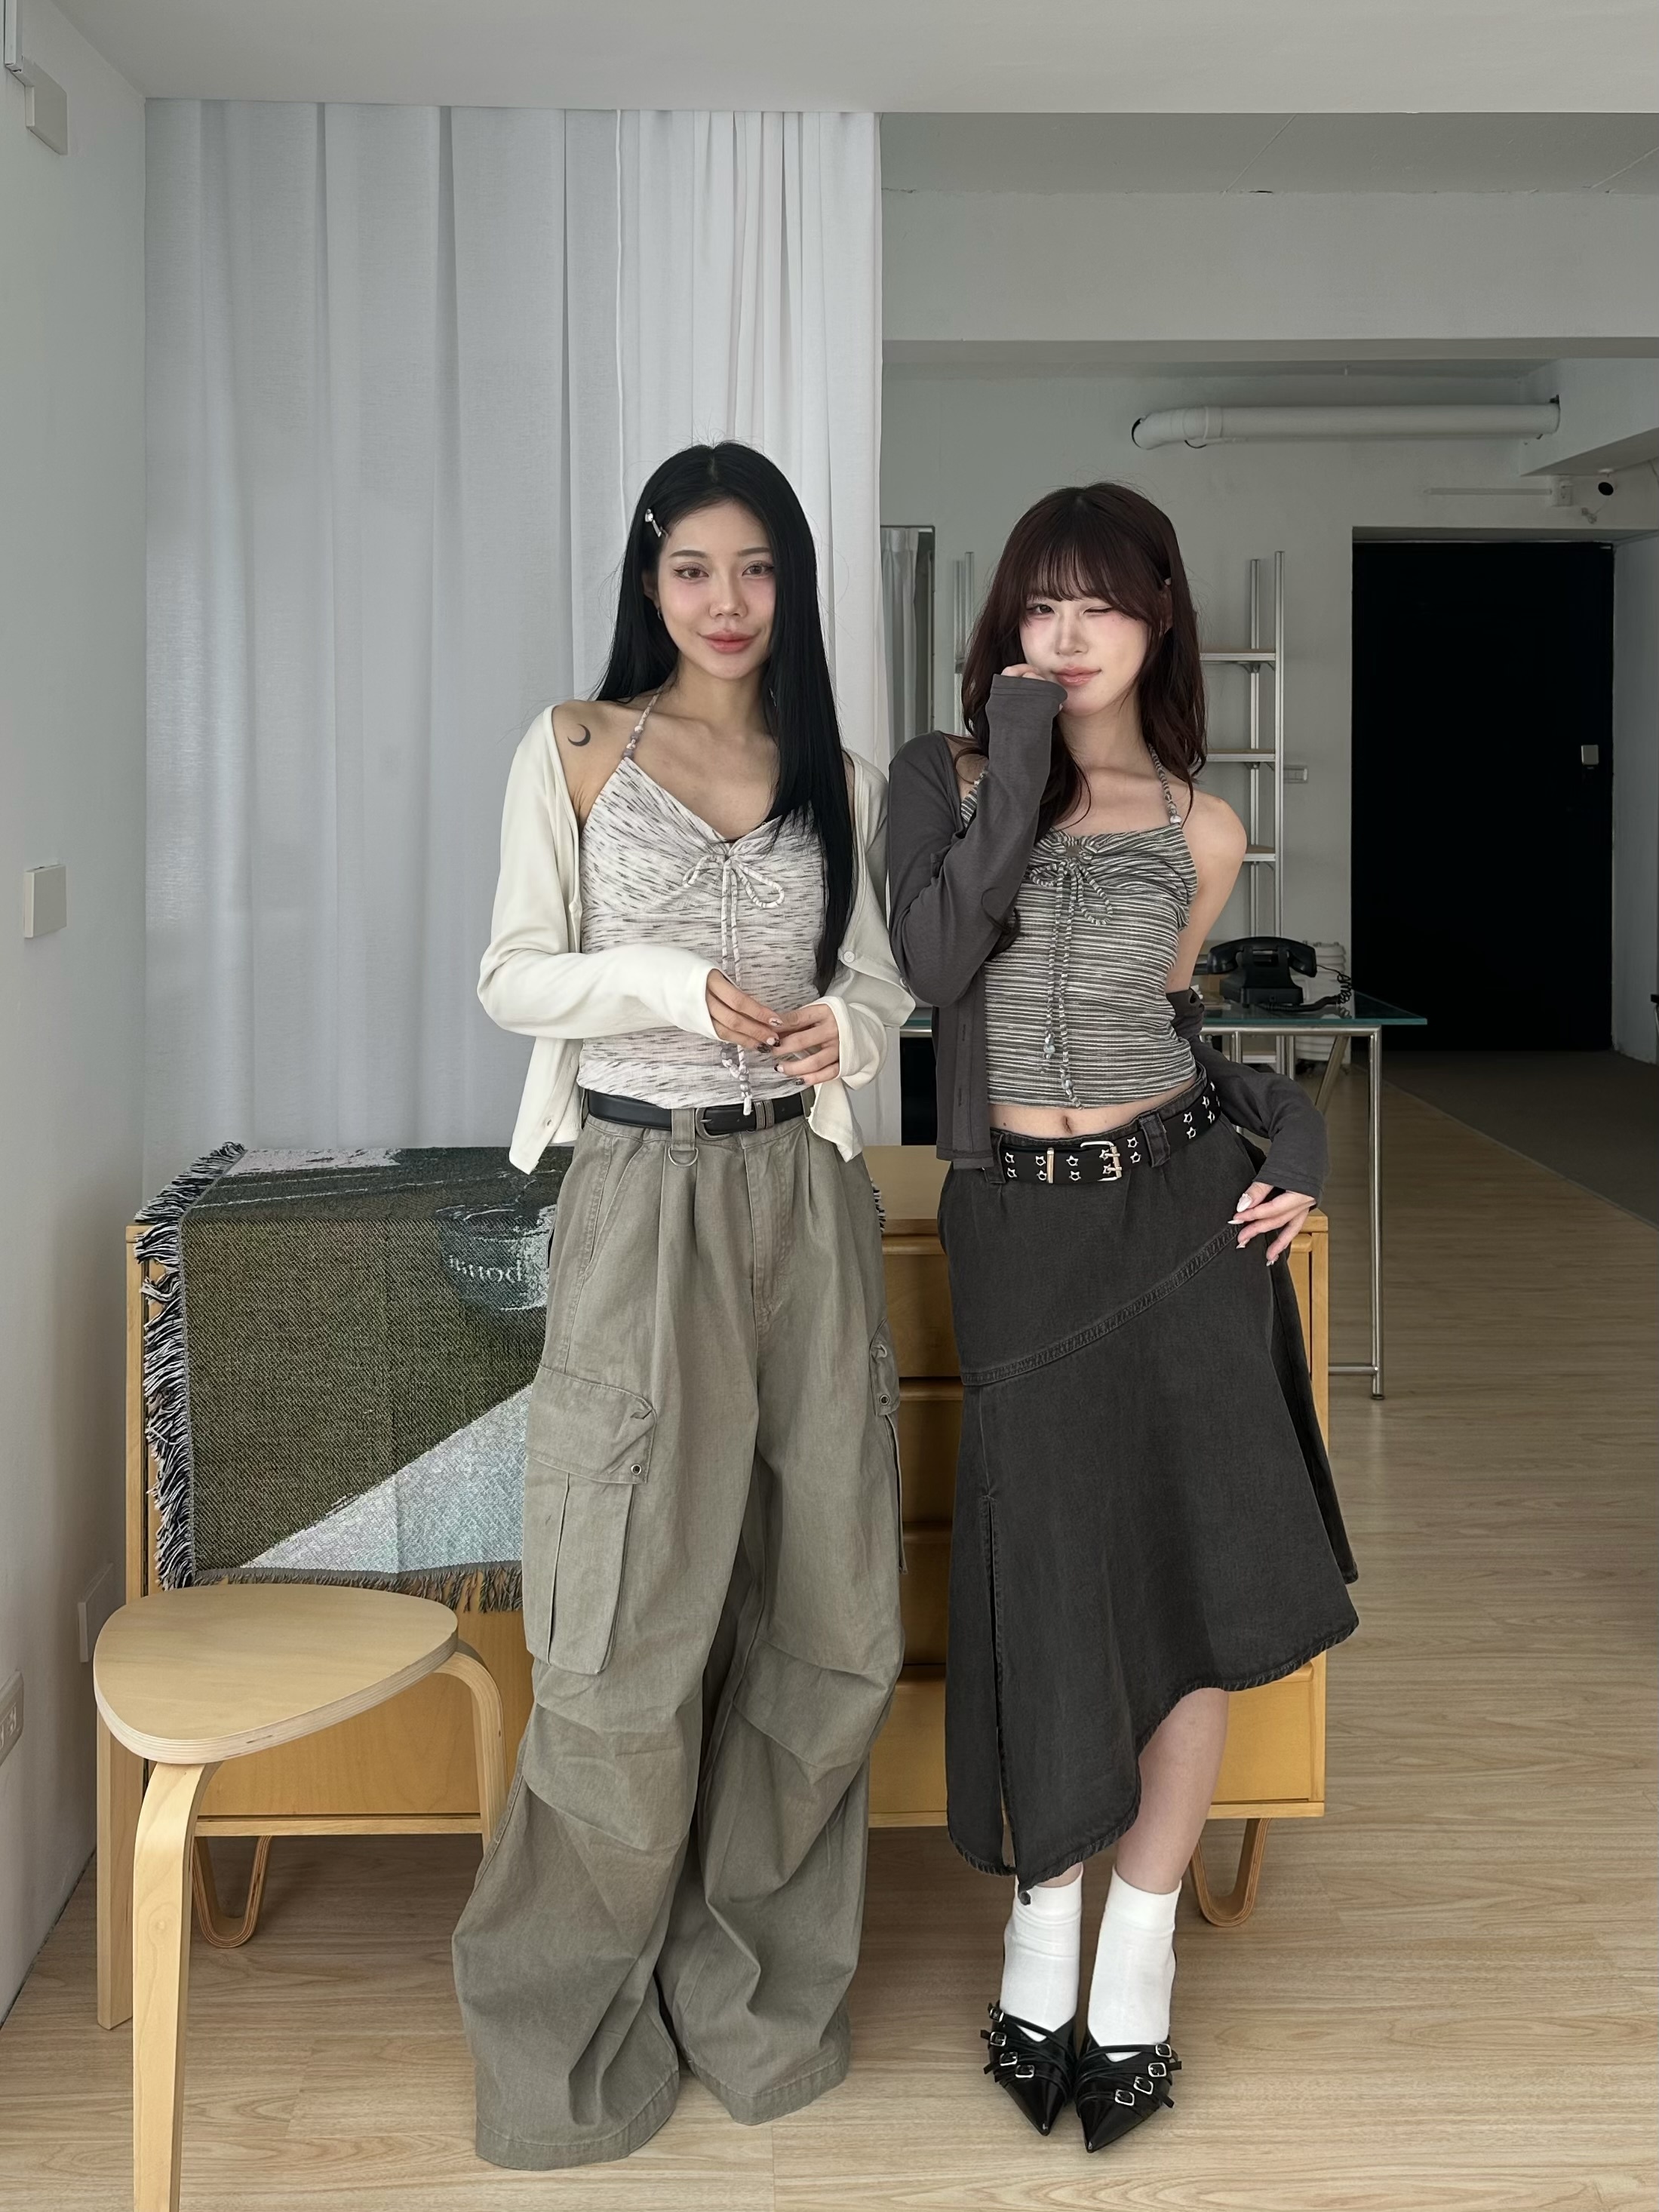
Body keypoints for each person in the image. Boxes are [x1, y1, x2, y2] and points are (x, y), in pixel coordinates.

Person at [453, 441, 914, 2169]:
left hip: (804, 1195)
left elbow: (874, 981)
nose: (726, 603)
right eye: (693, 569)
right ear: (649, 579)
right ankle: (563, 2041)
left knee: (831, 1618)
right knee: (615, 1636)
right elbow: (510, 975)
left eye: (757, 569)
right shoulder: (575, 745)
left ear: (792, 584)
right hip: (641, 1197)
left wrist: (838, 1027)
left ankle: (756, 2000)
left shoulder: (834, 772)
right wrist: (661, 979)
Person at [886, 481, 1357, 2152]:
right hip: (1020, 1230)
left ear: (1157, 623)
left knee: (1185, 1578)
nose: (1068, 634)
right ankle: (1039, 1934)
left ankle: (1134, 1963)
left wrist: (1294, 1135)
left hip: (1177, 1223)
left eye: (1100, 605)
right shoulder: (942, 783)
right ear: (1006, 626)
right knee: (1047, 1582)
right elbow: (937, 960)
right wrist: (1019, 747)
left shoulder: (1204, 829)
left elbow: (1180, 1032)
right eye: (1040, 604)